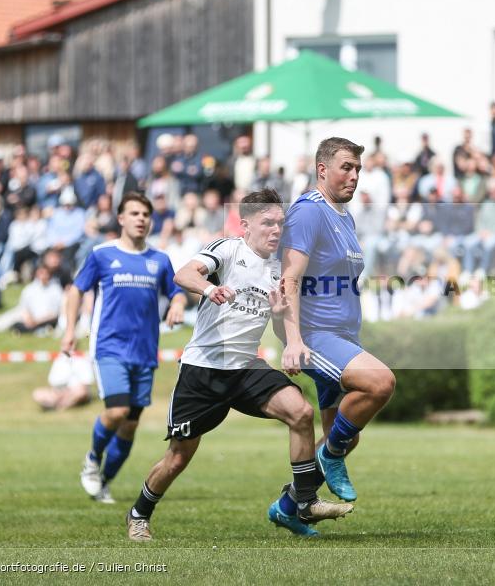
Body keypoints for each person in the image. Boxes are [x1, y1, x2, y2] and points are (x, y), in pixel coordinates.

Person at [125, 190, 352, 542]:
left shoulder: (280, 268)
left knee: (301, 412)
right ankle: (139, 513)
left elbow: (282, 317)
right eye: (268, 223)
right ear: (246, 225)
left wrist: (285, 329)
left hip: (246, 368)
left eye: (280, 222)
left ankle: (304, 499)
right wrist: (208, 288)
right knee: (178, 457)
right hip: (204, 371)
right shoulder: (229, 250)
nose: (276, 229)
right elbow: (184, 274)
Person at [280, 137, 396, 504]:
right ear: (322, 170)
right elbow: (289, 279)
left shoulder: (345, 215)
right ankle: (330, 458)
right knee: (380, 383)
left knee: (348, 433)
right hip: (315, 335)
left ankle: (289, 505)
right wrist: (294, 340)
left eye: (358, 168)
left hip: (343, 335)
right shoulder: (309, 211)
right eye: (346, 167)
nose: (355, 175)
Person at [61, 192, 187, 505]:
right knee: (116, 411)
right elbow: (76, 290)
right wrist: (69, 332)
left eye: (146, 214)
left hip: (144, 351)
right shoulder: (101, 255)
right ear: (121, 219)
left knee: (130, 425)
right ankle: (92, 459)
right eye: (134, 213)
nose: (141, 219)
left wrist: (178, 304)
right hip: (109, 347)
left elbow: (178, 291)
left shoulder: (159, 259)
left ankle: (103, 481)